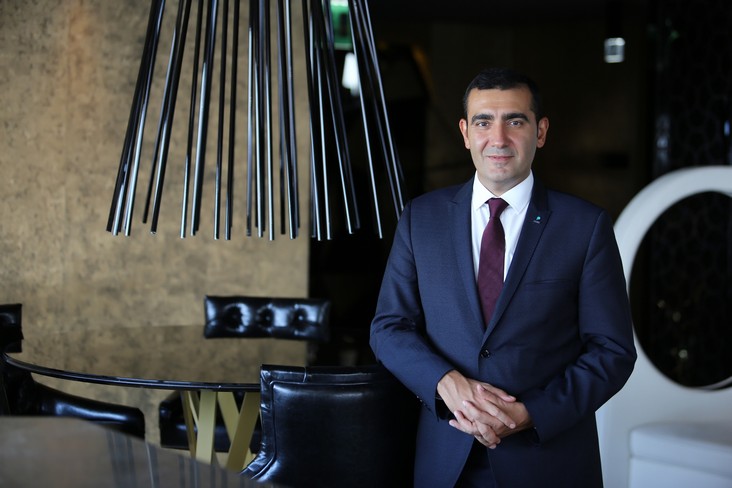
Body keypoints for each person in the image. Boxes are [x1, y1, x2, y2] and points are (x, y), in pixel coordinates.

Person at [369, 67, 637, 487]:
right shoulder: (421, 219)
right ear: (465, 132)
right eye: (483, 122)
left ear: (540, 131)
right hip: (445, 460)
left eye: (515, 121)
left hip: (547, 462)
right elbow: (388, 327)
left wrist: (531, 413)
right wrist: (445, 383)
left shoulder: (585, 227)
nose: (498, 138)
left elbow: (612, 351)